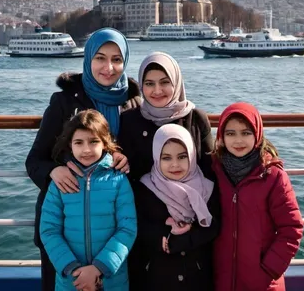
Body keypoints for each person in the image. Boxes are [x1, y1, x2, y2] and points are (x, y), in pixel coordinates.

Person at [26, 28, 141, 291]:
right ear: (88, 59)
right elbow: (35, 160)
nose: (108, 67)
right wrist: (52, 172)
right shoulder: (64, 102)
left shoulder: (133, 102)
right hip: (66, 233)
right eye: (100, 58)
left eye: (116, 59)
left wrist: (126, 159)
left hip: (113, 230)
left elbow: (143, 157)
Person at [40, 109, 137, 291]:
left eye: (93, 142)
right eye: (79, 142)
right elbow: (49, 230)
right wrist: (73, 269)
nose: (86, 149)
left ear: (105, 143)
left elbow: (127, 229)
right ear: (70, 145)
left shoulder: (118, 180)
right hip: (71, 281)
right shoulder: (60, 182)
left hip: (111, 280)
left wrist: (99, 268)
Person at [212, 102, 304, 291]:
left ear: (258, 134)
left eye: (246, 133)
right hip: (220, 279)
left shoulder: (273, 177)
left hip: (262, 282)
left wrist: (269, 269)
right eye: (231, 133)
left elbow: (291, 228)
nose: (238, 140)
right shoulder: (212, 170)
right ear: (221, 137)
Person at [132, 124, 220, 290]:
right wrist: (162, 238)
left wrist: (186, 238)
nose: (175, 165)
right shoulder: (145, 187)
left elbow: (213, 225)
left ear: (192, 155)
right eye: (166, 158)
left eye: (182, 157)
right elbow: (138, 225)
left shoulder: (206, 188)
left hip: (197, 275)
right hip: (158, 275)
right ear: (157, 157)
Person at [118, 51, 214, 182]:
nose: (157, 91)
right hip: (143, 200)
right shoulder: (128, 120)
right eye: (149, 84)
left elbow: (209, 170)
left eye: (164, 82)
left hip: (192, 198)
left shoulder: (196, 119)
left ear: (176, 82)